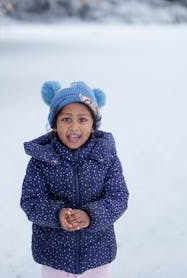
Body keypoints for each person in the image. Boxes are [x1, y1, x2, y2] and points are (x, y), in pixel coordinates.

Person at [21, 81, 129, 277]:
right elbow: (31, 202)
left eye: (82, 119)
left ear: (93, 124)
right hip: (54, 255)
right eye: (66, 119)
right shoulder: (42, 159)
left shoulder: (106, 157)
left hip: (97, 254)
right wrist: (57, 214)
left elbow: (118, 197)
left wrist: (91, 216)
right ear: (54, 123)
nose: (74, 127)